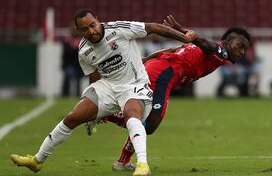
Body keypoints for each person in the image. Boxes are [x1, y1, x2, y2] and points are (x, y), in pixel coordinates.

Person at [10, 9, 197, 176]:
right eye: (85, 29)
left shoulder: (119, 29)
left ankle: (142, 165)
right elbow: (94, 77)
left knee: (133, 116)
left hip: (134, 84)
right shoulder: (83, 50)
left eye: (93, 25)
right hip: (107, 86)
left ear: (98, 20)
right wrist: (95, 107)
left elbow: (154, 27)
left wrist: (184, 38)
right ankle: (37, 161)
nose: (91, 31)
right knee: (72, 117)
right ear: (79, 31)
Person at [87, 15, 251, 171]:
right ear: (227, 41)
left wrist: (144, 60)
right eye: (240, 46)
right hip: (162, 75)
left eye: (245, 48)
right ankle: (103, 114)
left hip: (157, 69)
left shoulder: (200, 48)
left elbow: (172, 49)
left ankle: (122, 161)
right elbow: (210, 45)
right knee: (149, 125)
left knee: (143, 121)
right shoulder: (218, 50)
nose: (242, 51)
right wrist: (192, 36)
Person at [61, 25, 84, 97]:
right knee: (67, 76)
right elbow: (65, 53)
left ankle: (78, 94)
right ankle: (65, 94)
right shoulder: (67, 40)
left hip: (80, 65)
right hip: (70, 65)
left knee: (79, 78)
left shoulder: (82, 40)